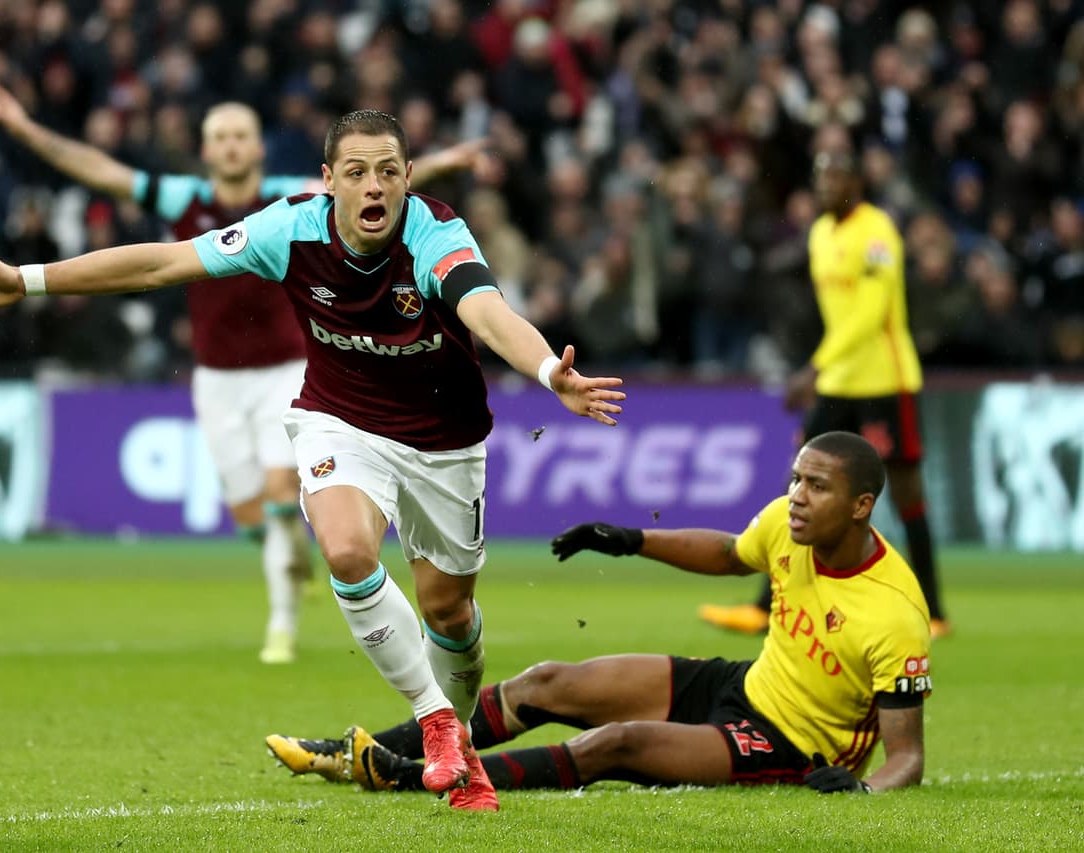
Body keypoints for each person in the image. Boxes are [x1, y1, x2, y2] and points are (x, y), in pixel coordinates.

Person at [0, 109, 626, 811]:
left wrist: (548, 372)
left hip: (444, 442)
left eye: (388, 171)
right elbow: (162, 262)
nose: (374, 186)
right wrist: (28, 280)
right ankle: (435, 719)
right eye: (356, 172)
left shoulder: (436, 234)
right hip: (340, 420)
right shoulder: (289, 228)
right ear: (329, 181)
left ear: (408, 177)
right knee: (347, 552)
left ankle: (462, 741)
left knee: (449, 612)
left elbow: (487, 313)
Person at [0, 83, 491, 664]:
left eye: (240, 137)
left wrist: (441, 163)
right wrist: (26, 131)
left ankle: (282, 625)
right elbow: (104, 173)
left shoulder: (291, 200)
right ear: (206, 151)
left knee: (279, 495)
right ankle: (292, 551)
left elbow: (372, 182)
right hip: (217, 379)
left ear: (257, 149)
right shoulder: (184, 199)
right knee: (252, 516)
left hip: (290, 371)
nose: (230, 147)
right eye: (220, 138)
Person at [267, 431, 930, 796]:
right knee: (548, 682)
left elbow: (907, 757)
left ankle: (406, 779)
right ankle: (365, 750)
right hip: (744, 684)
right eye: (796, 478)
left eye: (817, 486)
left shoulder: (893, 612)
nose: (797, 496)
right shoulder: (789, 524)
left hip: (788, 743)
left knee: (616, 743)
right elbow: (732, 554)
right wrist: (633, 539)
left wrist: (864, 791)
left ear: (861, 505)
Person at [699, 148, 950, 640]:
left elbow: (870, 314)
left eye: (836, 176)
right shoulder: (819, 233)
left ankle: (933, 609)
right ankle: (766, 604)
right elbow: (834, 315)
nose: (827, 185)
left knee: (906, 494)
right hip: (838, 382)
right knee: (799, 485)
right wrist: (822, 366)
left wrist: (813, 367)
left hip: (884, 380)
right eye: (820, 176)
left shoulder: (877, 232)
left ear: (856, 181)